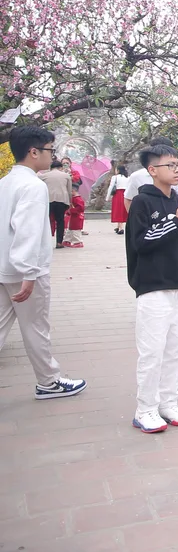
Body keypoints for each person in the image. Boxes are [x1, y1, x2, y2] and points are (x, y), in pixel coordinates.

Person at [0, 126, 87, 400]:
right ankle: (49, 381)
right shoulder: (33, 186)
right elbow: (26, 230)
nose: (53, 154)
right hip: (25, 271)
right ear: (33, 152)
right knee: (36, 327)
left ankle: (49, 380)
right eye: (50, 149)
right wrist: (29, 272)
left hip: (4, 267)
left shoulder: (5, 183)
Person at [125, 144, 178, 433]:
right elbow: (141, 242)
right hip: (152, 284)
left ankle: (168, 403)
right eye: (170, 165)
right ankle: (145, 408)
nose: (177, 169)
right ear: (152, 170)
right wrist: (176, 220)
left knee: (177, 348)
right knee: (152, 350)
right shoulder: (143, 203)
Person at [124, 137, 178, 211]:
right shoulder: (136, 177)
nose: (177, 170)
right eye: (170, 165)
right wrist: (135, 218)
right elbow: (128, 199)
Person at [40, 159, 72, 249]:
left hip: (48, 200)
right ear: (60, 167)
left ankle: (45, 242)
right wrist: (70, 202)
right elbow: (69, 191)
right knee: (60, 221)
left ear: (51, 168)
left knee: (47, 221)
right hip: (61, 200)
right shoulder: (66, 176)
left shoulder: (44, 176)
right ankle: (59, 242)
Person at [108, 165, 130, 234]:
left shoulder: (115, 177)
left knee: (118, 210)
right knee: (123, 210)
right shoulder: (128, 177)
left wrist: (107, 197)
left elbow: (111, 187)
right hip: (126, 194)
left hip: (118, 194)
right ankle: (118, 226)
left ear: (118, 170)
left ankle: (120, 228)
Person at [63, 183, 86, 248]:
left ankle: (78, 242)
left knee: (75, 230)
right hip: (73, 217)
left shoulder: (78, 199)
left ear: (73, 191)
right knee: (70, 229)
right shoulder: (74, 198)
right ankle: (67, 240)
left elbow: (80, 208)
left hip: (77, 217)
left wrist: (71, 210)